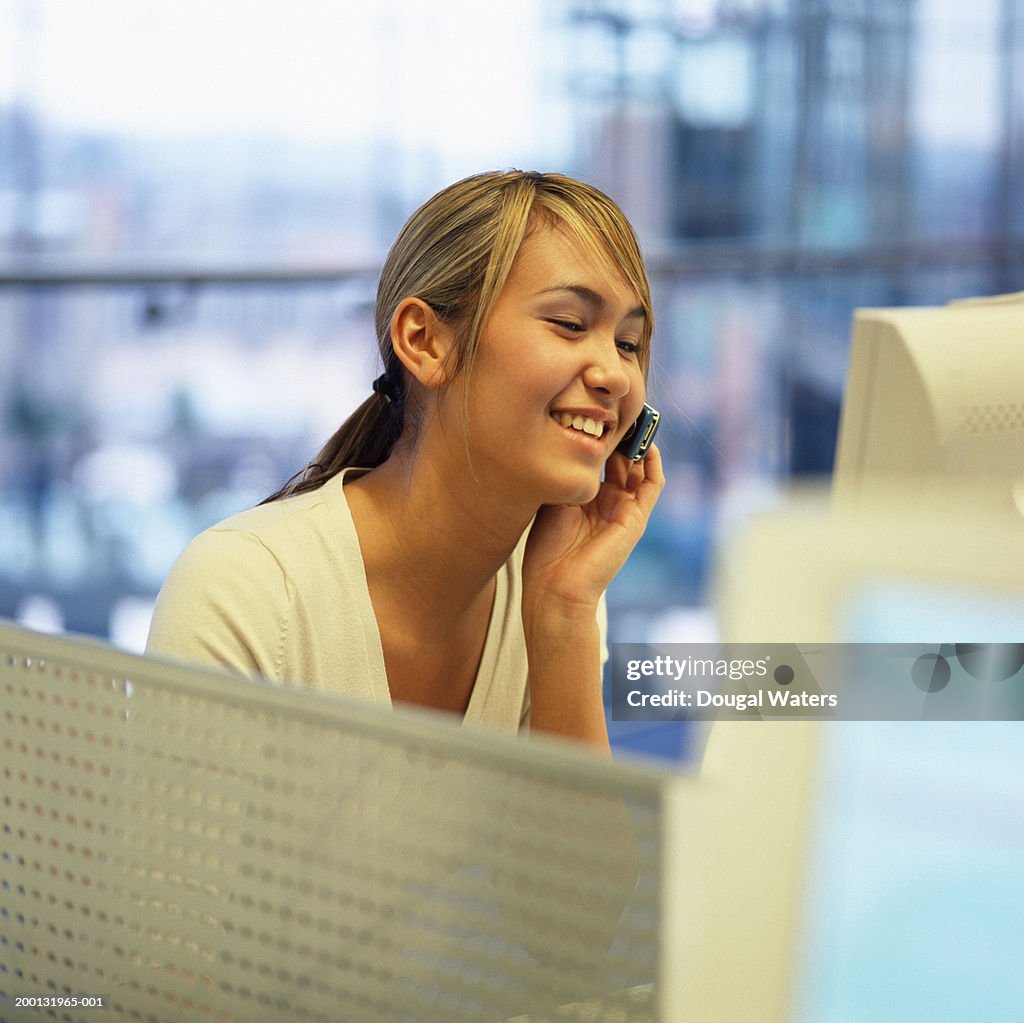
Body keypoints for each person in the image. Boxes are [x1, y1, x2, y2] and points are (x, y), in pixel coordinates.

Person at [146, 169, 663, 754]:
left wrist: (566, 618)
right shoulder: (246, 589)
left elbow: (583, 850)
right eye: (569, 324)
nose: (616, 376)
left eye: (628, 343)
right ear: (424, 341)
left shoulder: (556, 597)